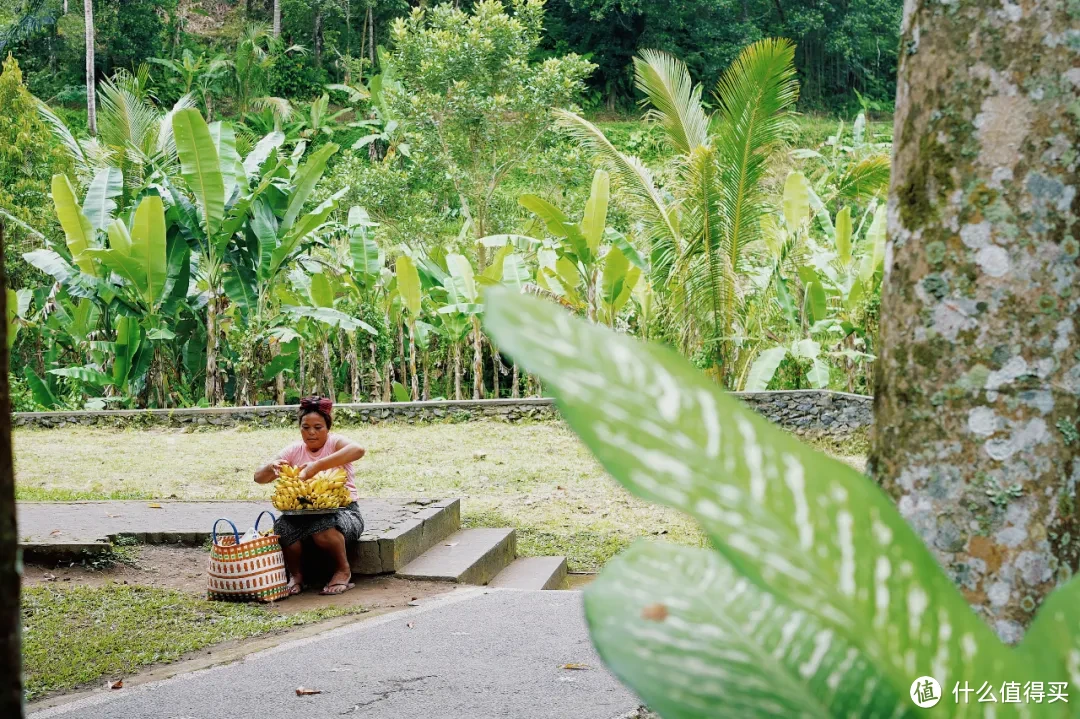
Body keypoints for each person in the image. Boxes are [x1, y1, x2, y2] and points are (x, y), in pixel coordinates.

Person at [254, 396, 366, 596]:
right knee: (282, 527)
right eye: (305, 427)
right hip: (300, 516)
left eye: (318, 427)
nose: (311, 432)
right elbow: (259, 478)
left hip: (344, 513)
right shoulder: (294, 450)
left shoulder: (335, 443)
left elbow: (358, 450)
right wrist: (271, 467)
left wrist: (316, 466)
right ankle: (296, 576)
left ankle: (343, 570)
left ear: (328, 427)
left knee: (321, 525)